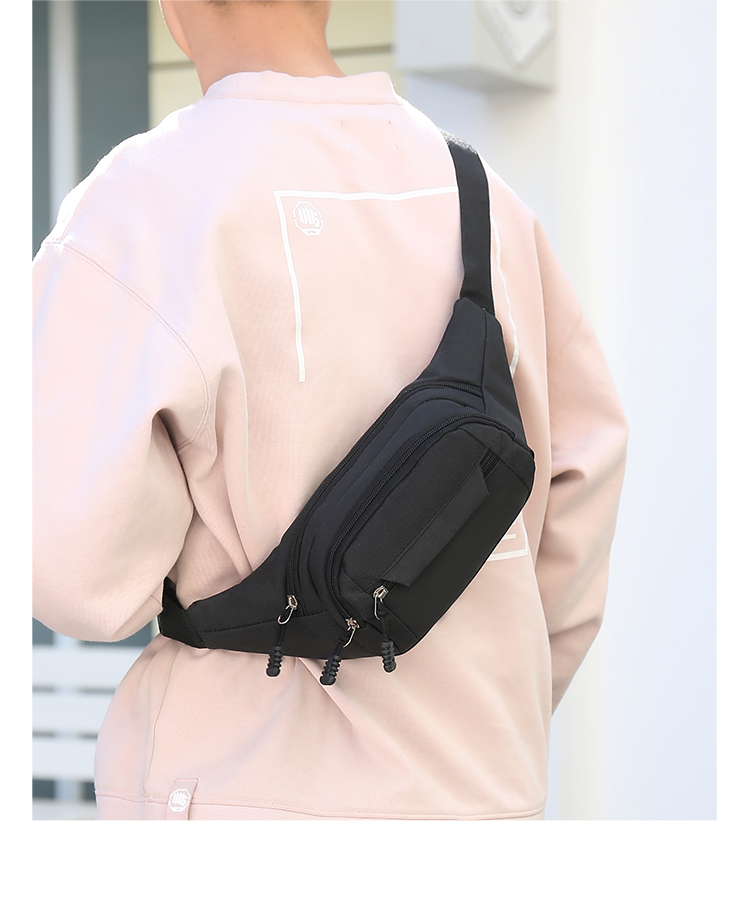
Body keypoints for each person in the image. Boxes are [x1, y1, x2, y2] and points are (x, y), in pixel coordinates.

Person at [32, 0, 628, 820]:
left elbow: (75, 575)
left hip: (241, 802)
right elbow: (583, 486)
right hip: (483, 802)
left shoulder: (143, 203)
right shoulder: (485, 202)